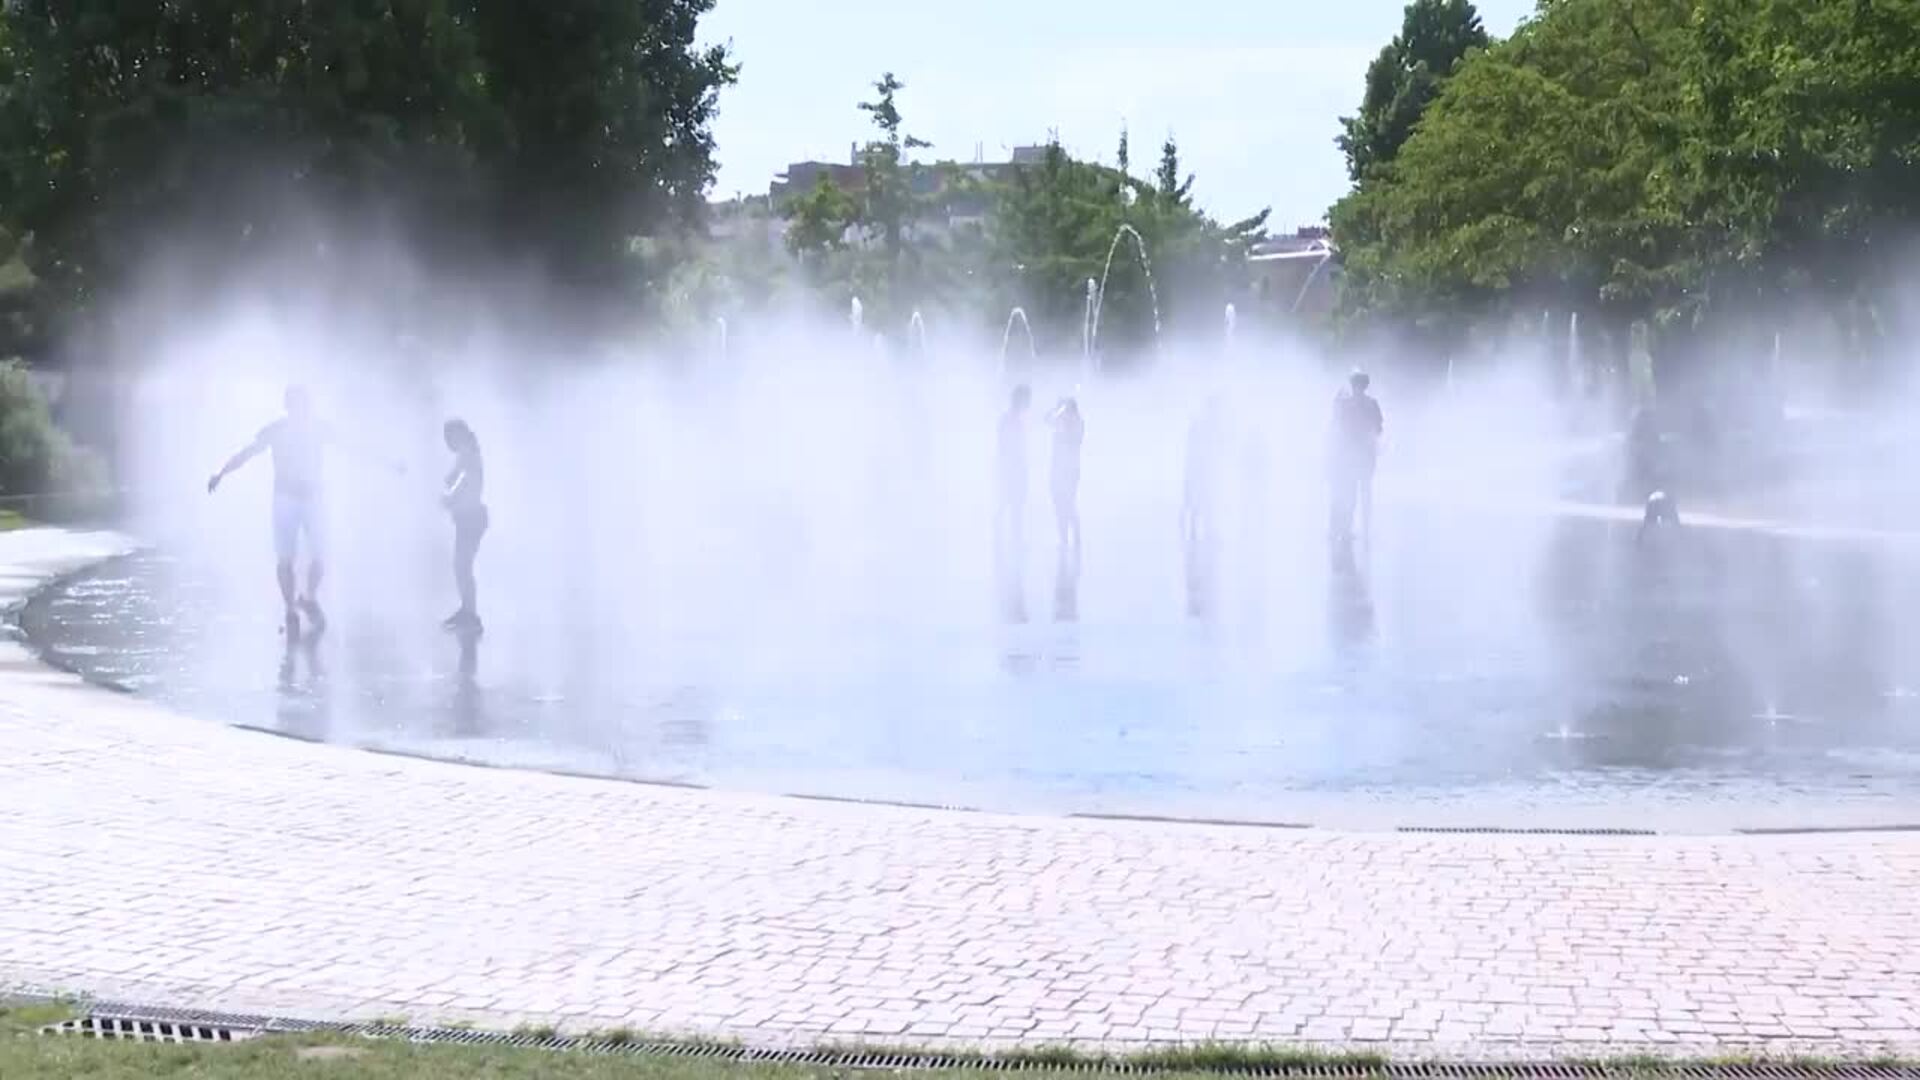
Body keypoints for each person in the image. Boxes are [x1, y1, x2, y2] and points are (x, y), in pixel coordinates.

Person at [206, 385, 334, 638]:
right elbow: (247, 453)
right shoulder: (275, 431)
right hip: (285, 500)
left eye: (304, 405)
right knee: (286, 559)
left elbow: (354, 444)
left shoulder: (319, 428)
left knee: (321, 557)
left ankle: (308, 597)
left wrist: (387, 462)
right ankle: (290, 609)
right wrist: (221, 472)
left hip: (313, 499)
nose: (300, 411)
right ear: (287, 407)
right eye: (295, 405)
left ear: (309, 407)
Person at [441, 418, 488, 632]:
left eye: (448, 437)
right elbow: (457, 478)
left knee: (463, 567)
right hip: (468, 518)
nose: (447, 442)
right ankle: (467, 610)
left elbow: (462, 480)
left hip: (471, 519)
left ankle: (471, 615)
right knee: (461, 567)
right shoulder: (467, 452)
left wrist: (449, 497)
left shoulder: (467, 453)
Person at [1328, 369, 1384, 546]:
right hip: (1356, 453)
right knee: (1356, 492)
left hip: (1359, 454)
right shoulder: (1364, 404)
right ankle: (1352, 528)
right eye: (1355, 385)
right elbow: (1378, 428)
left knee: (1359, 492)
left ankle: (1358, 528)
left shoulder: (1360, 404)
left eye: (1358, 385)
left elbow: (1378, 427)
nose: (1357, 388)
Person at [995, 385, 1032, 620]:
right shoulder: (1009, 419)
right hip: (1011, 466)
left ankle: (1011, 542)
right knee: (1008, 505)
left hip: (1015, 466)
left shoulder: (1014, 419)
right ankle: (1002, 542)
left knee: (1014, 506)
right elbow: (1005, 444)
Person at [1048, 396, 1083, 560]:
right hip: (1056, 469)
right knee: (1058, 503)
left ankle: (1076, 538)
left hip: (1070, 470)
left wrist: (1062, 426)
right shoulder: (1059, 421)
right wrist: (1057, 412)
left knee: (1068, 503)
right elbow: (1045, 418)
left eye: (1065, 408)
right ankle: (1063, 539)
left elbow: (1074, 441)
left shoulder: (1077, 422)